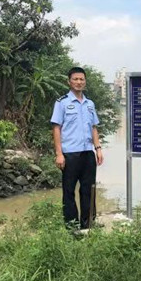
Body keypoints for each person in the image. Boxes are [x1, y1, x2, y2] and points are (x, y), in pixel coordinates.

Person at [51, 67, 104, 230]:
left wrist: (98, 148)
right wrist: (59, 154)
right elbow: (56, 128)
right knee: (69, 191)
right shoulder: (62, 103)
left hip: (88, 153)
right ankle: (72, 228)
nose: (79, 82)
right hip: (70, 154)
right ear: (69, 81)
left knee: (89, 190)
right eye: (75, 79)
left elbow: (93, 127)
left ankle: (88, 225)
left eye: (82, 79)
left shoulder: (90, 104)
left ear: (85, 82)